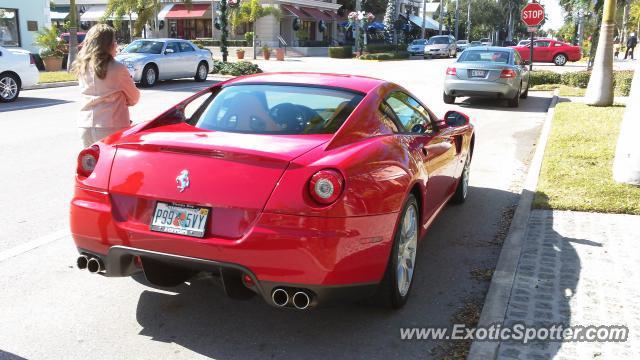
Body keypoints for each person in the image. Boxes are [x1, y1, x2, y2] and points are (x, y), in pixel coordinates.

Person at [72, 24, 140, 148]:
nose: (116, 45)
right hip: (110, 126)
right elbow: (134, 97)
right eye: (114, 41)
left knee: (92, 166)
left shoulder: (83, 66)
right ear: (108, 45)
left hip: (85, 125)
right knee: (112, 166)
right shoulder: (117, 68)